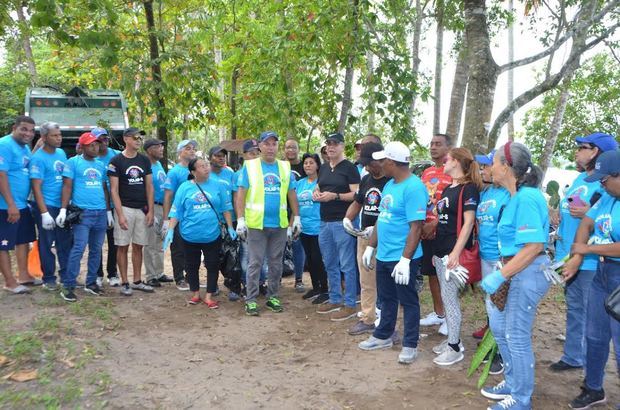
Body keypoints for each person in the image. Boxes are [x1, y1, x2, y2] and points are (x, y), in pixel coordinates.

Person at [479, 141, 550, 410]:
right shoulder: (514, 197)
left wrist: (500, 275)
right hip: (511, 270)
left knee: (516, 334)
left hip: (527, 272)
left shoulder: (528, 197)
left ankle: (521, 399)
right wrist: (501, 271)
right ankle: (512, 381)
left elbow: (534, 246)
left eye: (494, 162)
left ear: (506, 167)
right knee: (499, 328)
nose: (490, 167)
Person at [550, 133, 618, 373]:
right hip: (571, 256)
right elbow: (576, 213)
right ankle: (573, 356)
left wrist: (584, 249)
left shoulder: (607, 188)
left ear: (597, 152)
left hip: (592, 263)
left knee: (594, 319)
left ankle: (588, 366)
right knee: (575, 309)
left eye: (583, 147)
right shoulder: (580, 178)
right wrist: (558, 213)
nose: (577, 151)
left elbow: (600, 221)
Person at [357, 141, 428, 364]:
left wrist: (406, 260)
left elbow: (416, 227)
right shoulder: (389, 185)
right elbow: (382, 218)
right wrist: (371, 246)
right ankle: (383, 334)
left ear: (391, 162)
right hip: (384, 254)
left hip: (402, 256)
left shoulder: (414, 187)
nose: (378, 164)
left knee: (408, 301)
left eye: (382, 160)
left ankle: (410, 344)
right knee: (386, 298)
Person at [563, 149, 620, 410]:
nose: (601, 184)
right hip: (603, 273)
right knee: (595, 336)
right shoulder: (607, 197)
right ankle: (593, 388)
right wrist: (576, 256)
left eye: (604, 179)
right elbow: (586, 224)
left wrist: (587, 250)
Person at [235, 131, 301, 316]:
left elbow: (291, 194)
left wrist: (296, 218)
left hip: (279, 224)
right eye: (267, 144)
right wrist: (240, 219)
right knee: (254, 263)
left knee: (275, 263)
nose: (271, 147)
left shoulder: (285, 167)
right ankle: (251, 299)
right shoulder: (250, 166)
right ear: (260, 147)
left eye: (274, 144)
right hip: (256, 224)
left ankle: (273, 296)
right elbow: (241, 194)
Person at [431, 147, 482, 366]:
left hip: (453, 253)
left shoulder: (468, 189)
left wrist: (456, 253)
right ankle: (453, 339)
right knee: (446, 296)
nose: (444, 161)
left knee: (450, 300)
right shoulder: (448, 189)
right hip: (439, 249)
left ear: (458, 162)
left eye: (448, 159)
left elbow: (469, 222)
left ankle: (454, 347)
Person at [165, 158, 236, 308]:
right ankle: (196, 293)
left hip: (212, 235)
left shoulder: (217, 186)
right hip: (189, 235)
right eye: (202, 166)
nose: (206, 168)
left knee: (212, 265)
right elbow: (177, 210)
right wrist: (170, 229)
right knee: (191, 265)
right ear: (193, 172)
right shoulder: (184, 188)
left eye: (207, 165)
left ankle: (209, 296)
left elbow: (225, 208)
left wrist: (230, 227)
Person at [56, 132, 113, 302]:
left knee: (97, 249)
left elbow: (104, 188)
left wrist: (108, 211)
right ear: (82, 147)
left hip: (100, 212)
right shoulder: (73, 162)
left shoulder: (101, 165)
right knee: (79, 248)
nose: (95, 147)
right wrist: (63, 210)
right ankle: (68, 285)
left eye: (96, 144)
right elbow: (67, 187)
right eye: (91, 145)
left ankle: (91, 283)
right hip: (83, 213)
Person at [313, 132, 361, 321]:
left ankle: (350, 303)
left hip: (343, 221)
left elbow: (357, 195)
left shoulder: (349, 168)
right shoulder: (324, 168)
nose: (331, 147)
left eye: (335, 144)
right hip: (324, 222)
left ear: (342, 146)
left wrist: (336, 196)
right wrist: (316, 193)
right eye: (328, 144)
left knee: (347, 264)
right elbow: (319, 186)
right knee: (330, 262)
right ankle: (335, 298)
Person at [343, 142, 389, 335]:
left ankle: (386, 320)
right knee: (366, 280)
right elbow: (358, 202)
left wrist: (377, 230)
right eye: (365, 164)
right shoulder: (366, 179)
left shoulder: (391, 181)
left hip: (386, 237)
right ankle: (368, 318)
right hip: (364, 236)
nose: (367, 167)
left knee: (386, 281)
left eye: (370, 163)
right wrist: (347, 218)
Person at [474, 149, 510, 373]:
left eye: (487, 165)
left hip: (501, 259)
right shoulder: (487, 193)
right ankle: (492, 339)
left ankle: (501, 353)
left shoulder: (509, 194)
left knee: (501, 305)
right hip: (485, 255)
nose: (483, 170)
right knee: (491, 303)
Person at [108, 128, 155, 296]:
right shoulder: (116, 161)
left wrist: (150, 210)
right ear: (126, 139)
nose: (138, 140)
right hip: (125, 208)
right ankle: (125, 282)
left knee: (138, 246)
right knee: (122, 246)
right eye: (135, 137)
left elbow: (149, 186)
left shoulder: (144, 160)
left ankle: (136, 281)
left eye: (140, 137)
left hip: (141, 209)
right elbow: (114, 190)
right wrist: (120, 214)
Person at [29, 121, 71, 291]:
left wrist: (64, 207)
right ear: (44, 137)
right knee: (46, 243)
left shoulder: (61, 153)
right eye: (54, 135)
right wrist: (44, 212)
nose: (59, 138)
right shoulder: (37, 159)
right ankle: (49, 278)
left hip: (61, 205)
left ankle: (66, 274)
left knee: (64, 242)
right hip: (46, 205)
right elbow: (36, 187)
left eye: (59, 135)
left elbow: (67, 181)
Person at [419, 133, 453, 335]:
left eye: (438, 144)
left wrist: (436, 224)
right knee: (431, 273)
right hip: (425, 230)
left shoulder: (453, 171)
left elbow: (454, 204)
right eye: (431, 144)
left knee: (446, 276)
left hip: (444, 231)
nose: (433, 147)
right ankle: (438, 313)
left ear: (448, 148)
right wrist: (423, 225)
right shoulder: (427, 172)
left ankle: (450, 317)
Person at [0, 115, 37, 294]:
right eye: (24, 129)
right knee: (3, 245)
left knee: (23, 241)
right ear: (14, 127)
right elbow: (1, 175)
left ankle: (24, 275)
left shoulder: (24, 148)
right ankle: (9, 282)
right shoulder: (4, 145)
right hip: (5, 206)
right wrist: (10, 204)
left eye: (31, 130)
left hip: (22, 205)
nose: (28, 133)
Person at [162, 139, 198, 290]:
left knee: (192, 247)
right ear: (180, 153)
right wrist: (166, 219)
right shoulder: (175, 172)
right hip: (178, 216)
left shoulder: (196, 169)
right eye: (187, 148)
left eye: (193, 149)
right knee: (178, 247)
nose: (191, 151)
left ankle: (191, 277)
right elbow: (168, 196)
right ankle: (179, 278)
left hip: (194, 216)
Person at [232, 139, 265, 299]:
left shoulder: (264, 171)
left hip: (263, 221)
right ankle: (247, 284)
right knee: (246, 255)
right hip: (248, 222)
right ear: (244, 155)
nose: (255, 156)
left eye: (257, 152)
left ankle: (260, 283)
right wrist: (240, 220)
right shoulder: (238, 174)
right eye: (251, 153)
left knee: (262, 257)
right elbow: (237, 198)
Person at [296, 153, 329, 304]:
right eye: (305, 163)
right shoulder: (300, 183)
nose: (308, 165)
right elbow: (295, 204)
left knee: (317, 259)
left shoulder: (322, 182)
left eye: (311, 162)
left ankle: (324, 289)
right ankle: (315, 287)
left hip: (318, 227)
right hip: (304, 228)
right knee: (309, 260)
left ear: (317, 165)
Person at [92, 127, 121, 287]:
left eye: (106, 138)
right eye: (100, 139)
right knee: (96, 242)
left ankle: (112, 273)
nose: (104, 141)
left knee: (113, 241)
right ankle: (97, 274)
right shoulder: (91, 156)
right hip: (96, 206)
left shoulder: (115, 155)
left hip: (114, 205)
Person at [143, 138, 173, 287]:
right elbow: (143, 190)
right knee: (150, 242)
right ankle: (150, 276)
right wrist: (148, 210)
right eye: (158, 146)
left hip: (163, 207)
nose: (161, 148)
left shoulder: (159, 164)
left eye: (162, 145)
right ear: (149, 150)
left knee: (160, 240)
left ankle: (159, 272)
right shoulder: (145, 165)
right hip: (152, 207)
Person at [284, 138, 306, 292]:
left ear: (298, 149)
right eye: (287, 147)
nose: (290, 150)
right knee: (278, 247)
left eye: (293, 147)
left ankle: (298, 279)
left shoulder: (304, 166)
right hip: (281, 210)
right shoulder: (280, 166)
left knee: (298, 245)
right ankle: (276, 278)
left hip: (298, 210)